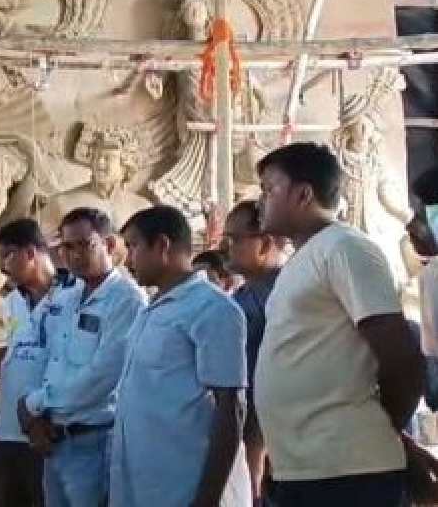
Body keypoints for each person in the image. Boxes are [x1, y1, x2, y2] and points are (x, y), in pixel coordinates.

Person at [254, 142, 424, 507]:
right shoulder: (303, 260)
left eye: (269, 190)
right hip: (306, 469)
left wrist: (381, 430)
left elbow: (401, 359)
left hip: (347, 472)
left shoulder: (345, 247)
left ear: (303, 194)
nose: (260, 201)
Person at [114, 205, 250, 507]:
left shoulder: (212, 309)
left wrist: (208, 498)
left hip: (188, 484)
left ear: (162, 246)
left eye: (134, 246)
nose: (128, 259)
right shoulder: (151, 309)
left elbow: (231, 407)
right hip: (148, 481)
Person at [18, 207, 143, 507]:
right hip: (53, 439)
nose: (73, 255)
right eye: (66, 247)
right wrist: (36, 419)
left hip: (94, 441)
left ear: (110, 245)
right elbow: (53, 362)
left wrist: (35, 403)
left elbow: (103, 376)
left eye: (83, 245)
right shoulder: (67, 297)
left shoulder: (126, 300)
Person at [0, 218, 82, 507]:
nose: (2, 269)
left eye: (6, 257)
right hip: (5, 431)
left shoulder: (78, 294)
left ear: (30, 253)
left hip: (48, 433)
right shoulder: (12, 301)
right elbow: (18, 347)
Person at [223, 199, 286, 503]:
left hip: (278, 444)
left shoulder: (283, 296)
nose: (227, 247)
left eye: (235, 239)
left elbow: (267, 381)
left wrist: (256, 455)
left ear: (265, 244)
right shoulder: (243, 296)